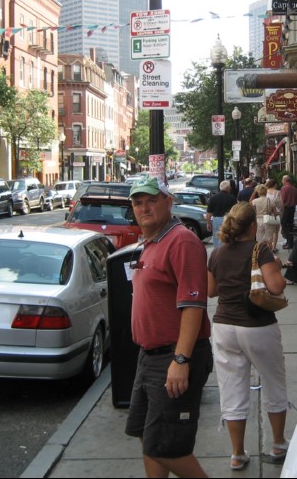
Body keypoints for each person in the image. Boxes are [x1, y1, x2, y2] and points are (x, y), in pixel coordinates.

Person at [125, 177, 213, 478]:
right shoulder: (151, 242)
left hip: (173, 357)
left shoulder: (182, 241)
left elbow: (193, 305)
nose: (144, 207)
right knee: (149, 439)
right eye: (138, 202)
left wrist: (180, 360)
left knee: (169, 448)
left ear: (168, 202)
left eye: (151, 200)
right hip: (149, 357)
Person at [207, 202, 290, 471]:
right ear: (252, 226)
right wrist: (276, 268)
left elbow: (210, 291)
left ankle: (237, 453)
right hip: (258, 325)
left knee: (231, 388)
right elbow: (276, 287)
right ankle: (278, 444)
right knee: (273, 381)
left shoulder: (217, 254)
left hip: (224, 326)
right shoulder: (260, 250)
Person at [206, 180, 238, 249]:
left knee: (217, 238)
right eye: (230, 187)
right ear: (227, 188)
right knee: (228, 237)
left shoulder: (213, 198)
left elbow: (209, 213)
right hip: (229, 220)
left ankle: (217, 252)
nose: (231, 188)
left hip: (216, 220)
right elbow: (236, 212)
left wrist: (208, 223)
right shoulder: (232, 198)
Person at [251, 184, 277, 251]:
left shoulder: (255, 201)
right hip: (268, 220)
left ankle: (260, 253)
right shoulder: (270, 201)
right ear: (266, 192)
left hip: (258, 220)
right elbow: (275, 213)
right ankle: (269, 253)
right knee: (269, 240)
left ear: (258, 192)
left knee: (259, 239)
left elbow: (251, 209)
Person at [279, 175, 297, 249]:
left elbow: (282, 200)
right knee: (290, 225)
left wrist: (281, 210)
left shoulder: (284, 188)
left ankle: (289, 241)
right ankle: (290, 242)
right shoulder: (295, 189)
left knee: (284, 224)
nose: (282, 181)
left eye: (282, 180)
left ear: (285, 180)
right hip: (292, 208)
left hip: (286, 208)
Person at [265, 178, 283, 252]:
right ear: (275, 184)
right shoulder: (278, 192)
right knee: (276, 231)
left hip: (268, 213)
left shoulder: (265, 192)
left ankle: (268, 246)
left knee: (269, 231)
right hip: (276, 213)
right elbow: (281, 203)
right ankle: (274, 247)